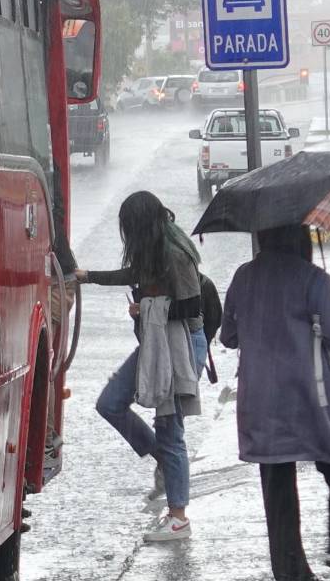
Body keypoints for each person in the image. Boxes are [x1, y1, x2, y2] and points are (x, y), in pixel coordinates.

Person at [220, 225, 330, 581]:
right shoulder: (312, 278)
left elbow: (228, 336)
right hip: (307, 397)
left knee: (278, 493)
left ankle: (292, 573)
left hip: (260, 402)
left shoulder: (244, 276)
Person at [75, 191, 207, 543]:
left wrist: (146, 308)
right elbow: (134, 274)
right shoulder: (155, 247)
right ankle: (161, 458)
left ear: (141, 225)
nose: (127, 236)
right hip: (156, 344)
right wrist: (89, 277)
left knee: (171, 427)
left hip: (180, 347)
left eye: (130, 228)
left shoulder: (174, 253)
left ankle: (179, 517)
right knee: (110, 403)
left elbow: (192, 308)